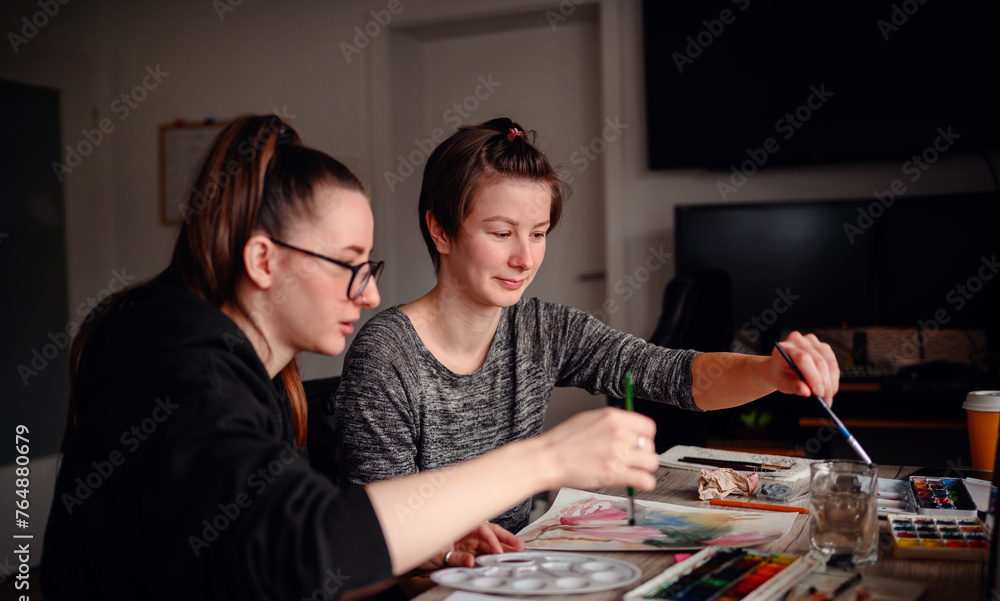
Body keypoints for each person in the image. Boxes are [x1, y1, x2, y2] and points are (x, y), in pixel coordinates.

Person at [23, 115, 659, 601]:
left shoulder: (253, 371)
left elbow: (285, 562)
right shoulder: (181, 373)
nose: (372, 293)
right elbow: (296, 554)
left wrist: (420, 547)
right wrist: (542, 460)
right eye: (350, 265)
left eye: (370, 266)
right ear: (264, 260)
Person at [335, 117, 840, 535]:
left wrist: (770, 373)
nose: (525, 258)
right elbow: (375, 533)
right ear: (440, 230)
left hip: (501, 572)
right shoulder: (388, 355)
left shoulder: (543, 329)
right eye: (501, 233)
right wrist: (449, 545)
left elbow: (672, 375)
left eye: (538, 233)